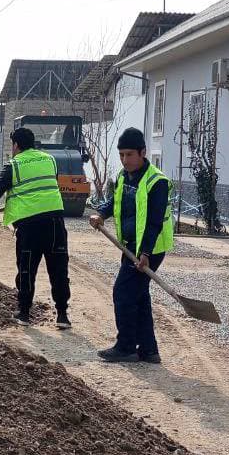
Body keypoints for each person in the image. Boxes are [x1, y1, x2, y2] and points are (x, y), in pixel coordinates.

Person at [89, 126, 175, 364]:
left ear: (143, 152)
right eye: (122, 155)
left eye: (129, 155)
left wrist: (145, 253)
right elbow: (114, 201)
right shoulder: (123, 177)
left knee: (123, 293)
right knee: (138, 296)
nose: (125, 160)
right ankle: (149, 350)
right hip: (130, 246)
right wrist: (102, 214)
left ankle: (126, 346)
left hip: (150, 249)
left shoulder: (156, 182)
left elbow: (154, 222)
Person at [0, 127, 71, 329]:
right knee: (59, 270)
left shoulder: (14, 165)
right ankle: (62, 315)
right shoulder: (49, 160)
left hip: (29, 226)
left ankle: (24, 313)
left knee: (26, 269)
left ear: (16, 145)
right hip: (55, 223)